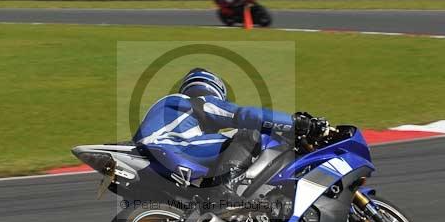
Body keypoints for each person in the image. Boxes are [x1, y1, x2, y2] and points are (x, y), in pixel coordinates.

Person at [134, 68, 321, 194]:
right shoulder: (199, 101)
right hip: (171, 148)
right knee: (249, 136)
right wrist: (294, 123)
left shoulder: (168, 107)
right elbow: (246, 115)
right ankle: (225, 190)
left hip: (147, 157)